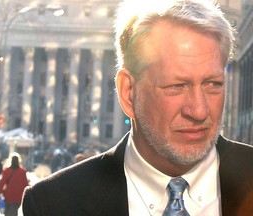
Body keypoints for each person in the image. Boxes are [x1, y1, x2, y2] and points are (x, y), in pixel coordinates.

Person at [22, 0, 253, 215]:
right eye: (177, 85)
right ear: (128, 93)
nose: (199, 111)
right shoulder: (52, 204)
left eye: (213, 84)